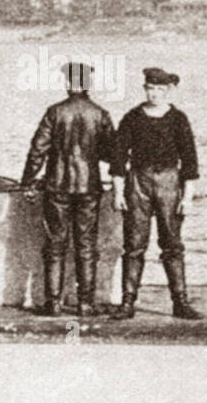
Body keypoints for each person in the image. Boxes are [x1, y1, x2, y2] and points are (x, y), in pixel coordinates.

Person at [20, 61, 116, 317]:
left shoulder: (54, 112)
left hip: (57, 186)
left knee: (55, 245)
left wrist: (28, 181)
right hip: (89, 188)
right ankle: (86, 304)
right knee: (86, 245)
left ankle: (53, 303)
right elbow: (111, 154)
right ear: (88, 85)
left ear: (68, 84)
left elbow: (37, 150)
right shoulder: (100, 114)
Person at [111, 67, 201, 319]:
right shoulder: (132, 118)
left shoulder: (178, 119)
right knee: (134, 246)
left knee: (172, 244)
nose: (156, 94)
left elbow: (190, 160)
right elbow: (118, 160)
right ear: (145, 89)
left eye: (161, 90)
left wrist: (187, 196)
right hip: (138, 182)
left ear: (168, 91)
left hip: (170, 183)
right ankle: (127, 302)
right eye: (151, 89)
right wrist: (118, 193)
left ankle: (180, 303)